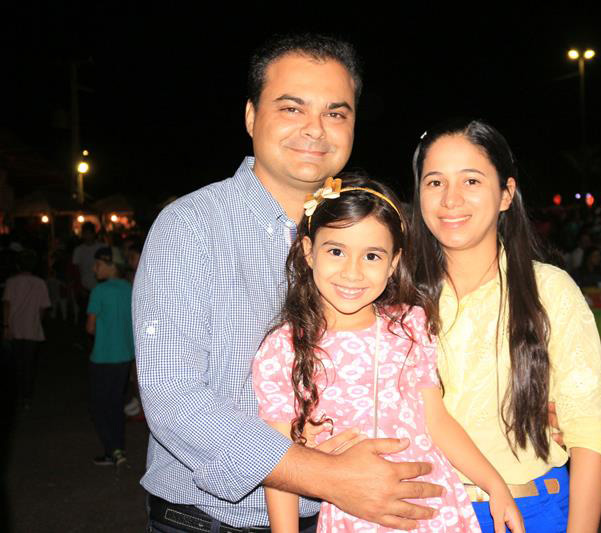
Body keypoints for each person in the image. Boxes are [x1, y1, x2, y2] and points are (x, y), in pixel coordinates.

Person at [133, 34, 441, 533]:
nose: (315, 129)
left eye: (335, 113)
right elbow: (174, 396)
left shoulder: (372, 232)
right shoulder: (192, 227)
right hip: (216, 520)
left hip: (350, 518)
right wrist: (328, 476)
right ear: (251, 116)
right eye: (292, 108)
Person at [254, 175, 523, 532]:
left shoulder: (410, 325)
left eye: (371, 256)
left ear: (393, 262)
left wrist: (494, 484)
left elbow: (437, 421)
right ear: (308, 251)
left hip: (434, 509)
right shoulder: (283, 348)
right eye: (336, 251)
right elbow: (280, 462)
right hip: (355, 515)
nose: (352, 272)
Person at [410, 119, 601, 532]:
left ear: (506, 194)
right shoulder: (397, 296)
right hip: (422, 513)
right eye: (434, 182)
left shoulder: (549, 291)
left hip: (530, 513)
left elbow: (590, 432)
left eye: (471, 180)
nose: (451, 198)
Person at [86, 247, 135, 466]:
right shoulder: (129, 288)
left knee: (98, 406)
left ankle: (112, 450)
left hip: (103, 357)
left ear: (111, 265)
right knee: (115, 403)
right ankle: (119, 448)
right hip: (124, 355)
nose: (93, 268)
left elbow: (90, 327)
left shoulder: (99, 291)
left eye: (98, 264)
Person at [2, 249, 50, 409]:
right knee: (29, 363)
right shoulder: (40, 283)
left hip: (14, 327)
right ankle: (26, 397)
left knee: (16, 363)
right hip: (32, 327)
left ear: (18, 265)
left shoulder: (11, 282)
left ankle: (16, 395)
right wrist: (37, 321)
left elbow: (7, 304)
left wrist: (6, 325)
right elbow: (43, 307)